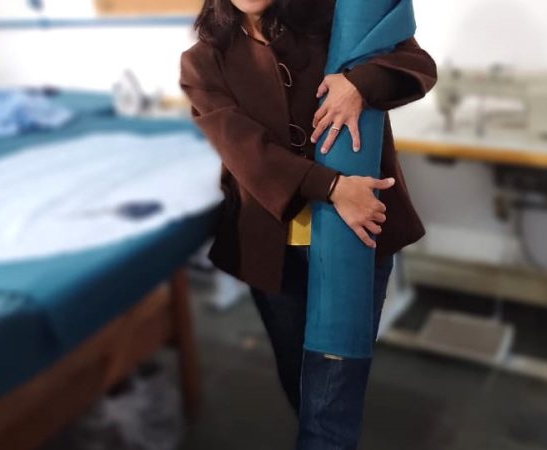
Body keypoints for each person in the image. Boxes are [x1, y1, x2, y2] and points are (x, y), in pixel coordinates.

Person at [179, 0, 438, 448]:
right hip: (272, 250)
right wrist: (331, 186)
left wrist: (359, 85)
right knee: (300, 381)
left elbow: (417, 65)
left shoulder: (335, 20)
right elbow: (246, 152)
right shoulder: (203, 61)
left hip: (355, 238)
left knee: (333, 391)